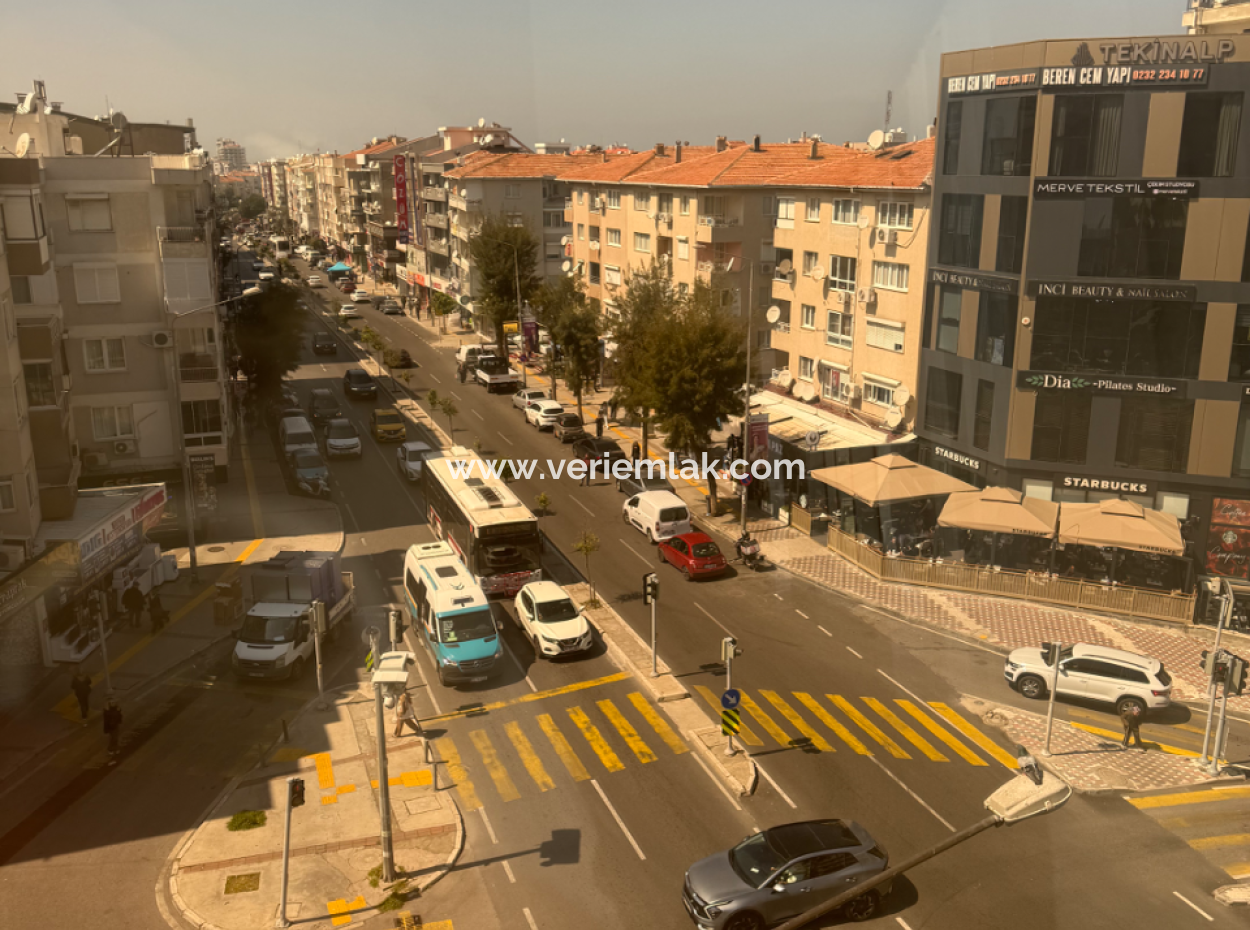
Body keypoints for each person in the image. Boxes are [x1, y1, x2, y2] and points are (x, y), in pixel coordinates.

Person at [103, 698, 123, 762]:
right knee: (114, 738)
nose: (113, 703)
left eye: (114, 702)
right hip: (111, 727)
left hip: (115, 725)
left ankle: (114, 748)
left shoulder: (116, 709)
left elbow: (119, 717)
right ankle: (111, 749)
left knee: (115, 737)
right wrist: (106, 730)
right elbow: (106, 721)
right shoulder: (107, 712)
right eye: (111, 702)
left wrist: (119, 712)